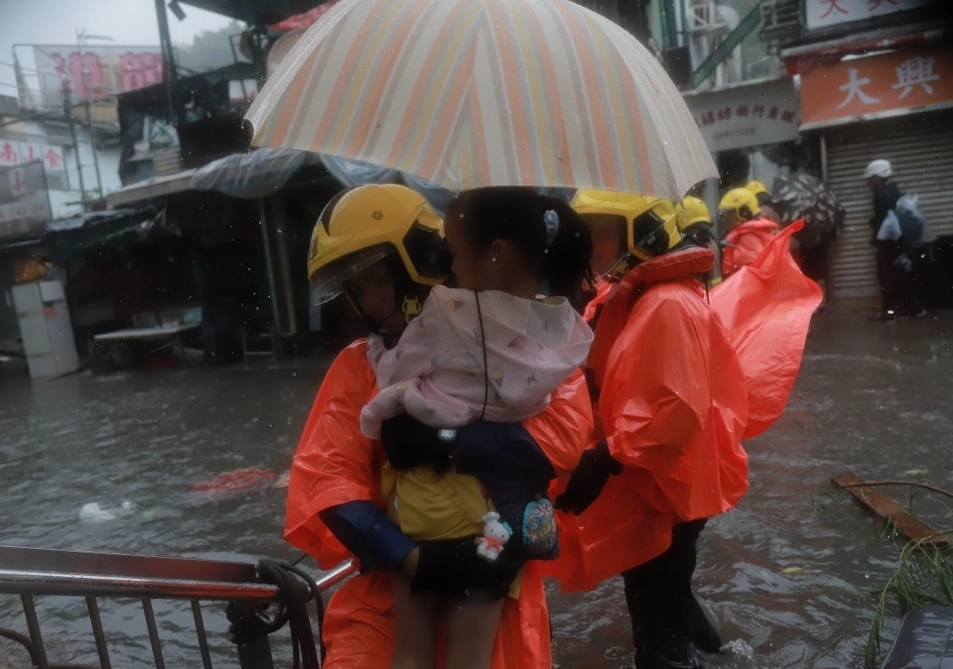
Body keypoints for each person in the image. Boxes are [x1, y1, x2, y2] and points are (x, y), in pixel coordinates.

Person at [284, 183, 593, 669]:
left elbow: (564, 440)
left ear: (419, 262)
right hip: (387, 596)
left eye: (379, 280)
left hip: (496, 589)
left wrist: (446, 443)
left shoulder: (515, 342)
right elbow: (327, 482)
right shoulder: (357, 366)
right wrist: (409, 558)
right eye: (358, 288)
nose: (373, 301)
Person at [555, 189, 750, 669]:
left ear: (639, 235)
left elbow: (674, 412)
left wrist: (603, 459)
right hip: (657, 478)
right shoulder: (640, 294)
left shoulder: (665, 304)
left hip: (663, 482)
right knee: (668, 588)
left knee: (656, 616)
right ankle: (721, 654)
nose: (593, 249)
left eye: (601, 235)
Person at [865, 159, 926, 321]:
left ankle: (891, 312)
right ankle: (913, 309)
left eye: (871, 178)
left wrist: (875, 227)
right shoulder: (895, 192)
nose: (869, 182)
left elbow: (886, 223)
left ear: (880, 177)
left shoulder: (881, 197)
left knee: (887, 277)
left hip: (890, 244)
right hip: (902, 243)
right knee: (900, 277)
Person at [718, 187, 779, 279]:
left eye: (730, 213)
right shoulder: (755, 231)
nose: (727, 217)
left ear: (743, 213)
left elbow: (753, 274)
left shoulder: (747, 237)